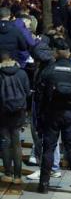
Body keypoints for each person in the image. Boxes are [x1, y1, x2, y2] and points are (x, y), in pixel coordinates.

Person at [36, 38, 71, 194]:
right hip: (70, 115)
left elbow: (39, 97)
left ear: (56, 52)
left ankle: (44, 184)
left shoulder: (48, 71)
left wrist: (40, 117)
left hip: (52, 114)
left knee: (48, 149)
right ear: (68, 53)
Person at [0, 50, 30, 184]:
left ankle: (7, 173)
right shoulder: (22, 72)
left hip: (3, 111)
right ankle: (18, 176)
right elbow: (27, 92)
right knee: (16, 143)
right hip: (19, 111)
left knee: (5, 141)